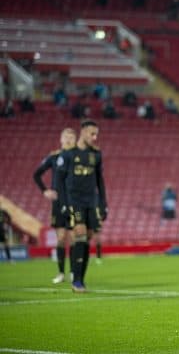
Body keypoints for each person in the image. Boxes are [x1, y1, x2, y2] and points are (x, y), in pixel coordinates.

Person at [56, 119, 108, 293]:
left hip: (91, 202)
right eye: (92, 133)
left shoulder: (96, 155)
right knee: (79, 233)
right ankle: (75, 280)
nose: (94, 137)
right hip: (74, 201)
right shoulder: (68, 155)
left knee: (88, 238)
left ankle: (81, 279)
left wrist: (103, 204)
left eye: (96, 134)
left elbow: (100, 181)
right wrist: (63, 204)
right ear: (83, 132)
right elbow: (59, 181)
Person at [33, 128, 77, 283]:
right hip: (58, 204)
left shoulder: (79, 157)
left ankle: (73, 272)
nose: (69, 139)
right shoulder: (54, 157)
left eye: (72, 137)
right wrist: (45, 191)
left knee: (73, 238)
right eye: (66, 136)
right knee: (60, 238)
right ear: (61, 139)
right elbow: (36, 174)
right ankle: (60, 273)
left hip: (74, 203)